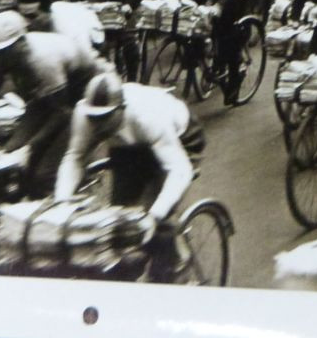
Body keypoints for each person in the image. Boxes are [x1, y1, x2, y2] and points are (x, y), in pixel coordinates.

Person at [52, 74, 205, 271]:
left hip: (179, 138)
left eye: (105, 117)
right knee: (120, 224)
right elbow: (75, 157)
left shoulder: (147, 117)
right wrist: (61, 201)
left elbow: (179, 170)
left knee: (155, 223)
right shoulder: (84, 115)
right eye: (94, 117)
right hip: (129, 145)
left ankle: (173, 269)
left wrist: (154, 216)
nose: (98, 125)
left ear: (121, 109)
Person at [0, 10, 115, 199]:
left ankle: (57, 202)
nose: (2, 56)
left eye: (7, 49)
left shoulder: (43, 60)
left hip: (85, 98)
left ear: (22, 42)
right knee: (7, 160)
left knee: (43, 174)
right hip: (48, 99)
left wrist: (30, 148)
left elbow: (62, 113)